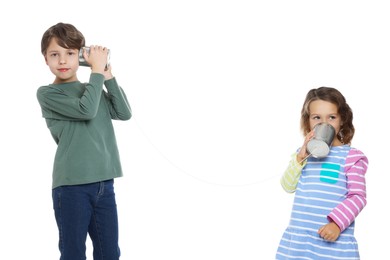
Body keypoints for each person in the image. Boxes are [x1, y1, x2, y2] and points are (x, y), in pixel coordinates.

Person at [36, 22, 131, 260]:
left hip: (104, 183)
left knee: (109, 253)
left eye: (70, 53)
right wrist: (96, 73)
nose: (62, 61)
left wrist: (106, 73)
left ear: (81, 56)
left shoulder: (94, 87)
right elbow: (85, 110)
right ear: (45, 59)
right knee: (73, 252)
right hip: (71, 186)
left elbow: (123, 112)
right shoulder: (48, 94)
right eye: (54, 54)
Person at [275, 87, 368, 259]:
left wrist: (337, 224)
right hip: (299, 243)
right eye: (316, 117)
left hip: (333, 241)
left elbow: (358, 196)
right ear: (308, 121)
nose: (323, 123)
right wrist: (300, 159)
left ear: (342, 120)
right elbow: (287, 186)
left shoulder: (351, 157)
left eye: (331, 117)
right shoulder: (303, 154)